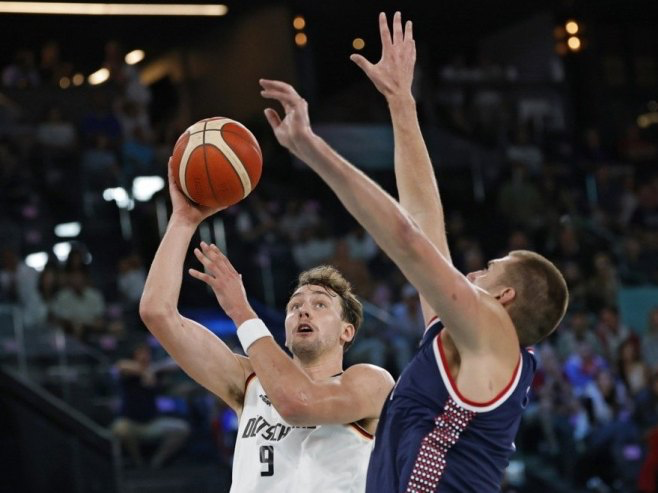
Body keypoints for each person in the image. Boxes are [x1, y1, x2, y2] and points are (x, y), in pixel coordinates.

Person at [258, 11, 569, 492]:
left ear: (503, 296)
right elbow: (423, 223)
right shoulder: (463, 340)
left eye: (489, 269)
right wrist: (401, 102)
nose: (472, 273)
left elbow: (406, 239)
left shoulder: (491, 334)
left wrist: (312, 149)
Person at [139, 166, 394, 491]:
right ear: (284, 331)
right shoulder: (248, 381)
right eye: (295, 306)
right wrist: (183, 221)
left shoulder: (370, 382)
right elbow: (157, 313)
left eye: (320, 304)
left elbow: (297, 404)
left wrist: (241, 311)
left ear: (347, 331)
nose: (303, 310)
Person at [111, 342, 190, 468]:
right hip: (130, 422)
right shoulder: (128, 373)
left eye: (146, 352)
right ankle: (137, 462)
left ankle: (156, 462)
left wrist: (153, 369)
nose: (144, 355)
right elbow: (121, 366)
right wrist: (144, 372)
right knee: (120, 429)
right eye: (140, 352)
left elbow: (176, 364)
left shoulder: (155, 371)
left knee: (182, 429)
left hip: (152, 422)